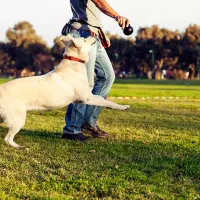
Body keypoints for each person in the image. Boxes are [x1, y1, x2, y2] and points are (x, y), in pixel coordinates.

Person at [62, 0, 131, 140]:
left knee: (107, 76)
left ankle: (88, 123)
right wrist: (117, 16)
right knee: (84, 84)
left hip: (93, 34)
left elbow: (91, 11)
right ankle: (72, 129)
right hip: (82, 35)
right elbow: (99, 2)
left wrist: (100, 31)